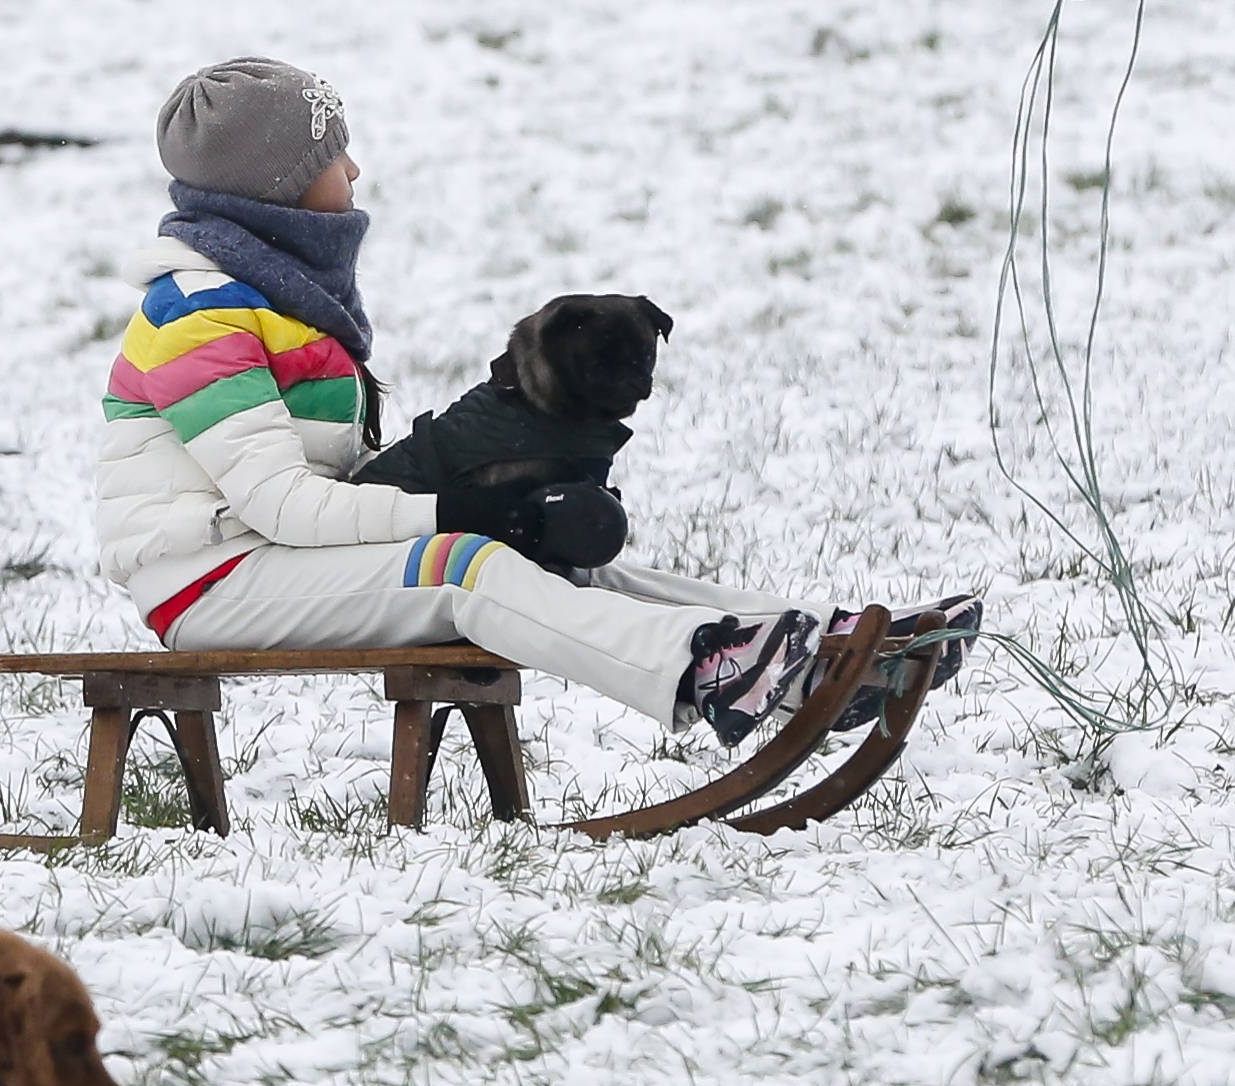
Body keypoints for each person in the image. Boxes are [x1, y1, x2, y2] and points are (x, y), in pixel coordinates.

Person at [94, 57, 976, 745]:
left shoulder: (282, 306)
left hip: (272, 561)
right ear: (277, 185)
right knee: (469, 567)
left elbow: (332, 487)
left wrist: (508, 501)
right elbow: (279, 503)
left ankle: (814, 646)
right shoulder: (197, 318)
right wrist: (462, 511)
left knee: (567, 562)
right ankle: (709, 672)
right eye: (331, 153)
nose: (354, 168)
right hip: (210, 582)